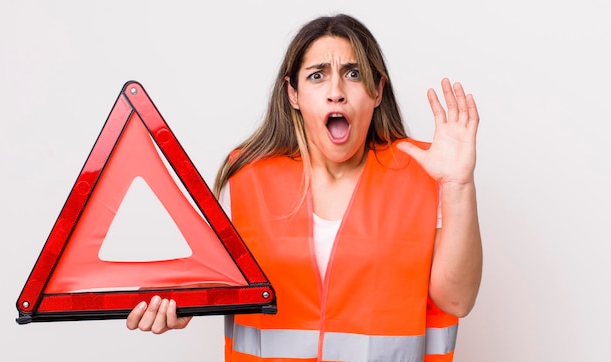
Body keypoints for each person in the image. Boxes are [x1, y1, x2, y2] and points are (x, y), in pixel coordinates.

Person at [126, 13, 482, 362]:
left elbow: (456, 301)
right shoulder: (248, 178)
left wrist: (459, 185)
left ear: (377, 92)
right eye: (317, 76)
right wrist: (178, 304)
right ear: (293, 94)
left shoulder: (424, 171)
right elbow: (206, 283)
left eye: (353, 74)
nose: (336, 93)